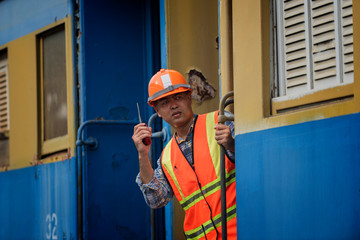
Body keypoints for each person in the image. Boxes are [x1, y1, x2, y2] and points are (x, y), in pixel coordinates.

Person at [132, 69, 236, 240]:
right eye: (164, 102)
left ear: (189, 96)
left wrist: (232, 144)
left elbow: (257, 159)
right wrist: (142, 155)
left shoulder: (221, 122)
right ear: (157, 110)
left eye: (178, 97)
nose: (173, 105)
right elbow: (156, 200)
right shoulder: (167, 157)